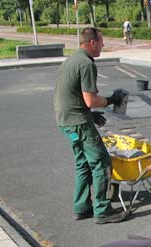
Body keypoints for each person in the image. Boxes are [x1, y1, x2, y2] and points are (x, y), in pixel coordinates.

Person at [54, 27, 127, 224]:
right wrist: (112, 100)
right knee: (102, 163)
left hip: (66, 121)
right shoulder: (86, 64)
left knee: (83, 163)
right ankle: (102, 210)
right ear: (92, 42)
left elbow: (71, 95)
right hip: (78, 122)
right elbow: (90, 100)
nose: (103, 45)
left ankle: (81, 207)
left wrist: (90, 114)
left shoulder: (71, 60)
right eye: (101, 41)